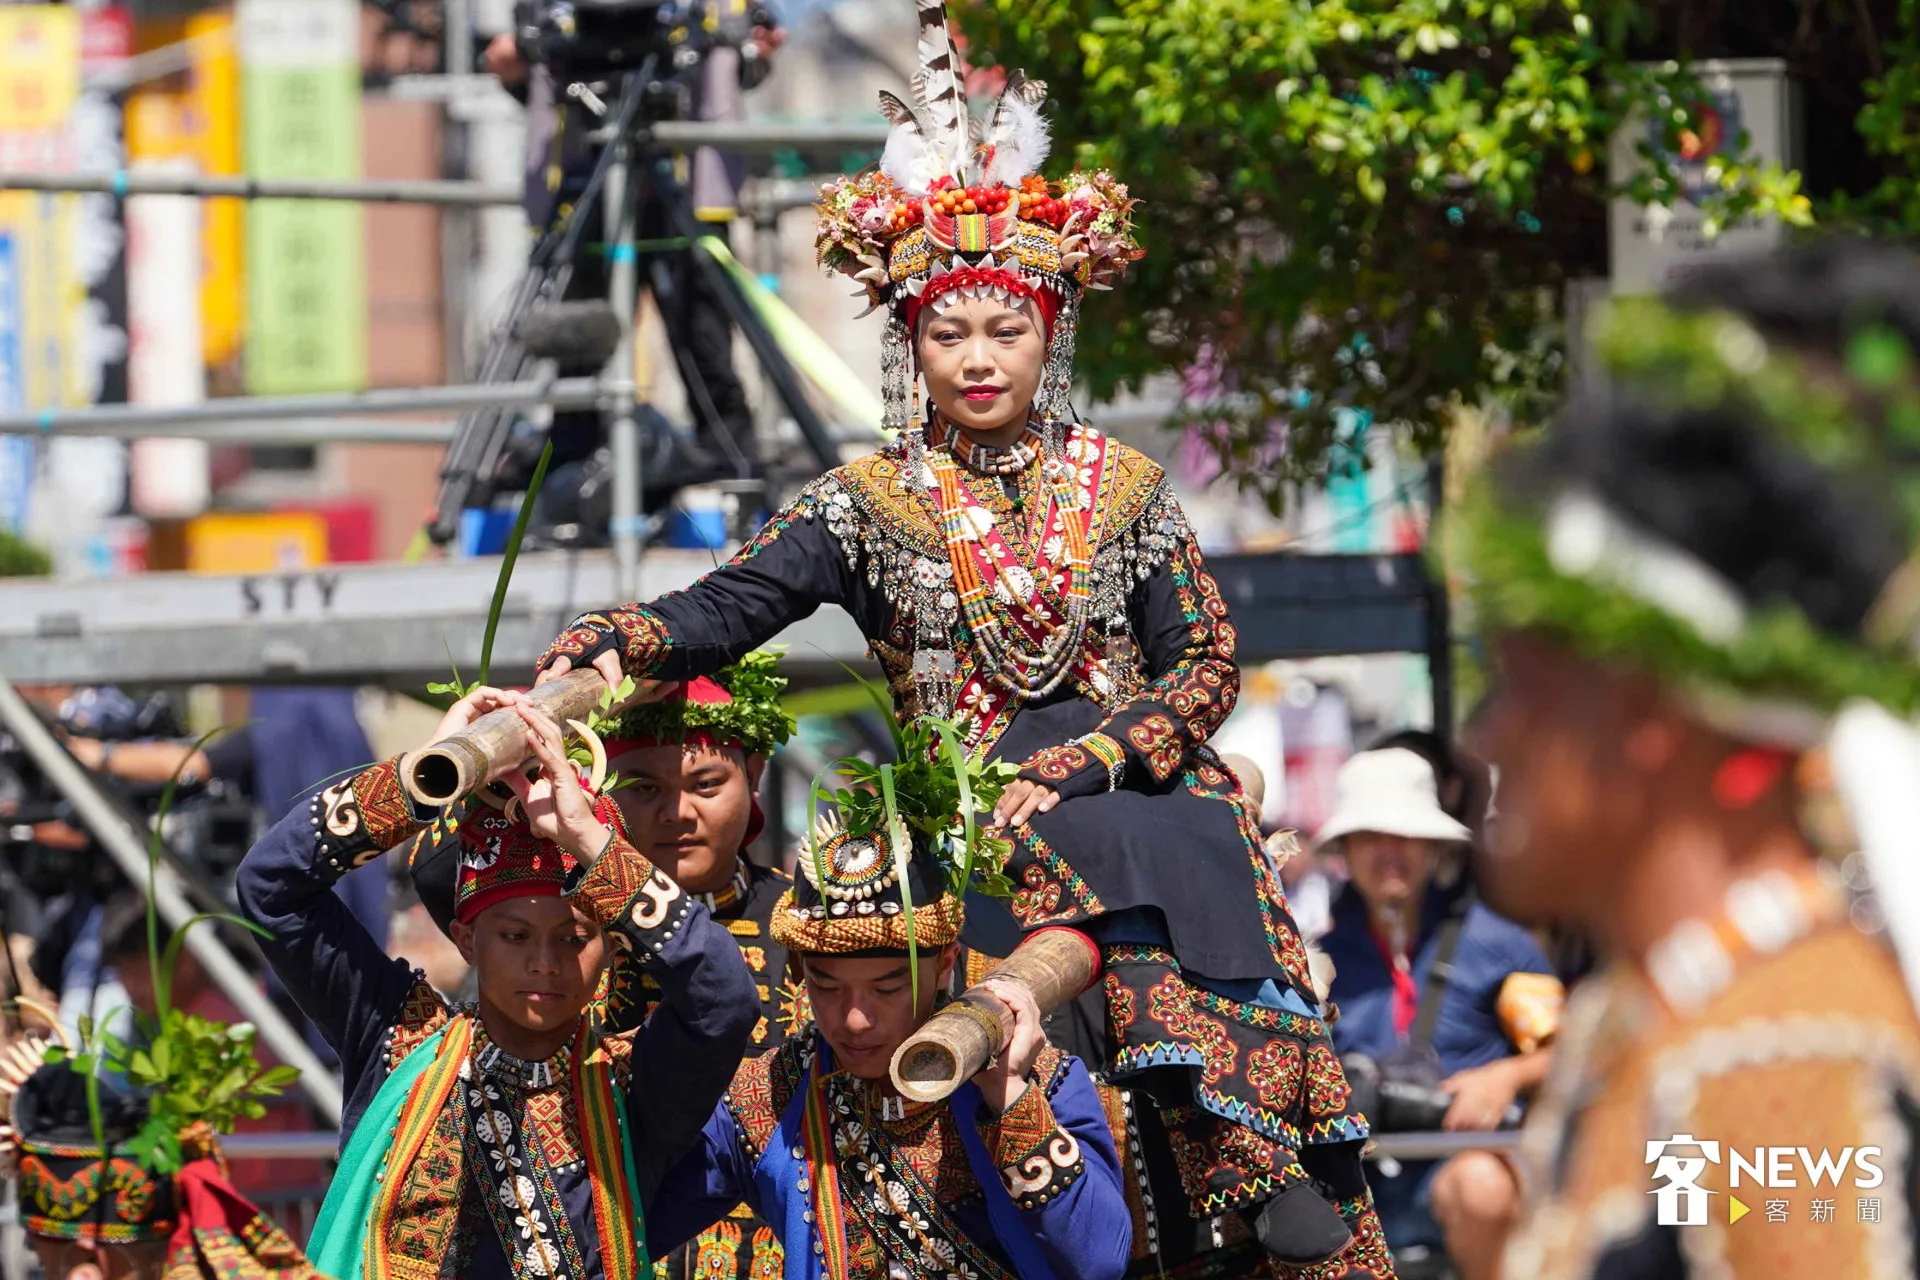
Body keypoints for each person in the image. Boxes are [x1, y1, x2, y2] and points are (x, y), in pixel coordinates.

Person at [532, 2, 1389, 1270]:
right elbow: (732, 603)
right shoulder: (867, 504)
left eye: (1007, 329)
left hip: (1122, 778)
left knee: (1193, 808)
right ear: (910, 342)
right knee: (1124, 835)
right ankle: (1228, 1157)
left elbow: (1207, 662)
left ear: (1053, 332)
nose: (979, 358)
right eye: (948, 332)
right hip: (972, 801)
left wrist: (1098, 754)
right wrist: (618, 642)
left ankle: (1254, 1146)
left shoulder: (1127, 487)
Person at [1449, 239, 1920, 1278]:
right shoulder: (1665, 1010)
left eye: (1523, 685)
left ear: (1645, 716)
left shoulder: (1783, 1053)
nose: (1483, 742)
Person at [235, 685, 760, 1280]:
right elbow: (271, 887)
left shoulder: (630, 1089)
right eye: (515, 936)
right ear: (467, 940)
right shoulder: (397, 1037)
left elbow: (725, 999)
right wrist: (420, 779)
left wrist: (590, 842)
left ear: (613, 949)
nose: (545, 962)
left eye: (573, 938)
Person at [635, 709, 1132, 1280]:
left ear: (945, 964)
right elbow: (620, 1230)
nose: (854, 1019)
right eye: (826, 985)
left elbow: (1099, 1260)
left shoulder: (1042, 1078)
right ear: (799, 970)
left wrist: (1011, 1098)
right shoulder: (769, 1098)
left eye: (888, 986)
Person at [1312, 747, 1559, 1280]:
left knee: (1480, 1186)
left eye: (1405, 835)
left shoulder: (1499, 945)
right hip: (1357, 1186)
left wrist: (1507, 1077)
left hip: (1466, 1177)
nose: (1389, 851)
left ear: (1434, 847)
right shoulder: (1311, 961)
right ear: (1345, 850)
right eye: (1369, 836)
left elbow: (1574, 1053)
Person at [603, 652, 801, 1279]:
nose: (677, 813)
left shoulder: (817, 926)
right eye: (644, 789)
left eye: (706, 785)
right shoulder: (565, 937)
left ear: (754, 774)